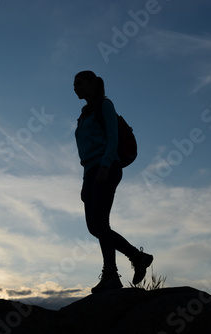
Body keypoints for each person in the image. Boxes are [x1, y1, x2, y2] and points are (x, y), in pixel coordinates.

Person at [73, 70, 153, 293]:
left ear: (92, 84)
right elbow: (86, 151)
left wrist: (106, 165)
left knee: (99, 224)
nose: (75, 87)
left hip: (106, 167)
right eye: (74, 84)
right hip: (91, 171)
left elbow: (112, 137)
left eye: (79, 83)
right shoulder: (84, 114)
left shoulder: (104, 106)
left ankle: (111, 275)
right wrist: (85, 181)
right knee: (94, 226)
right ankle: (137, 257)